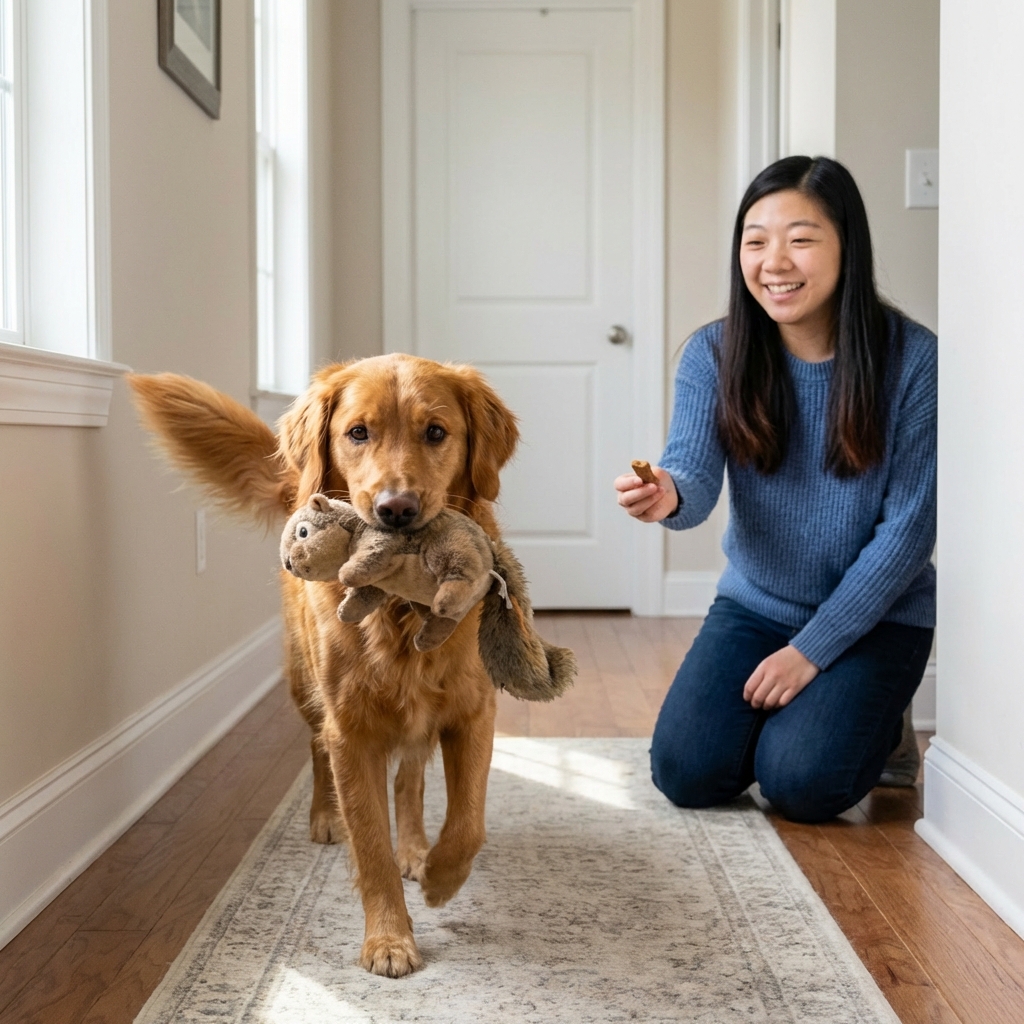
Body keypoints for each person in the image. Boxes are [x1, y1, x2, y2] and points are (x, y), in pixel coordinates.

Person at [615, 156, 935, 823]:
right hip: (756, 605)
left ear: (848, 243)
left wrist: (809, 653)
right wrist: (669, 495)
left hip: (878, 617)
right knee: (686, 772)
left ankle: (881, 727)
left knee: (801, 786)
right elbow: (692, 476)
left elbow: (908, 533)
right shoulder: (715, 352)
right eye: (756, 240)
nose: (774, 261)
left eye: (801, 238)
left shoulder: (915, 361)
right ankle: (812, 715)